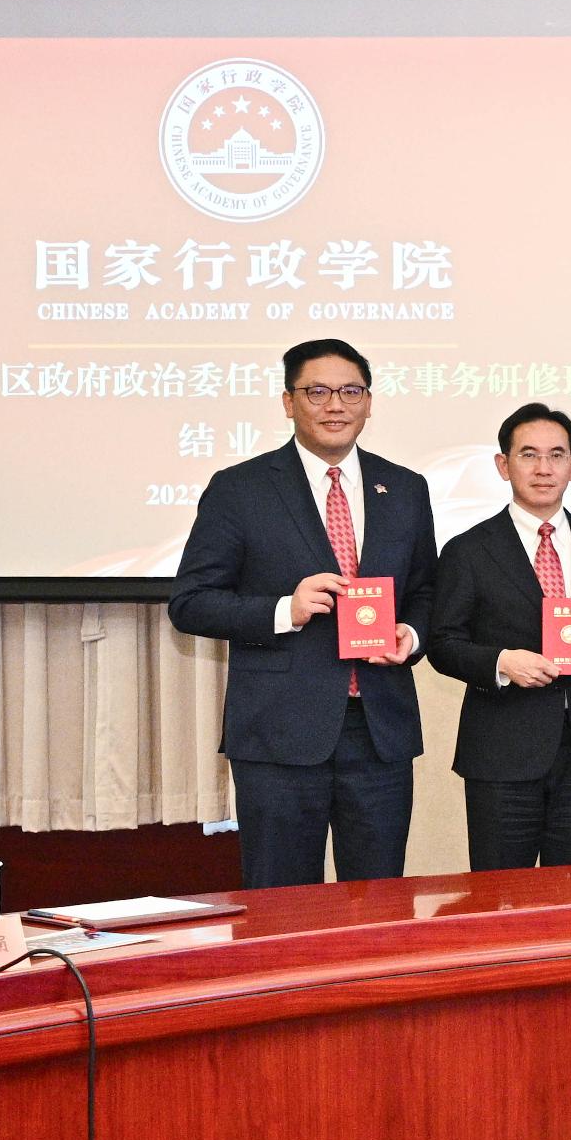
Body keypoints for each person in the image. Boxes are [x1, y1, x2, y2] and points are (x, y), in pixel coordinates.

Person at [167, 336, 437, 887]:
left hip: (379, 731)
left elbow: (427, 592)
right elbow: (191, 603)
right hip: (279, 735)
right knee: (282, 905)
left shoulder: (405, 489)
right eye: (317, 391)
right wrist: (284, 610)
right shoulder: (240, 489)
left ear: (369, 401)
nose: (335, 405)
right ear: (289, 402)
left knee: (378, 903)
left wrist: (411, 633)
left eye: (350, 391)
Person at [424, 403, 571, 871]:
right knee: (501, 900)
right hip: (501, 753)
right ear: (503, 464)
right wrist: (500, 662)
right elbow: (443, 643)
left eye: (557, 455)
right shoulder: (468, 549)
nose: (543, 468)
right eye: (528, 455)